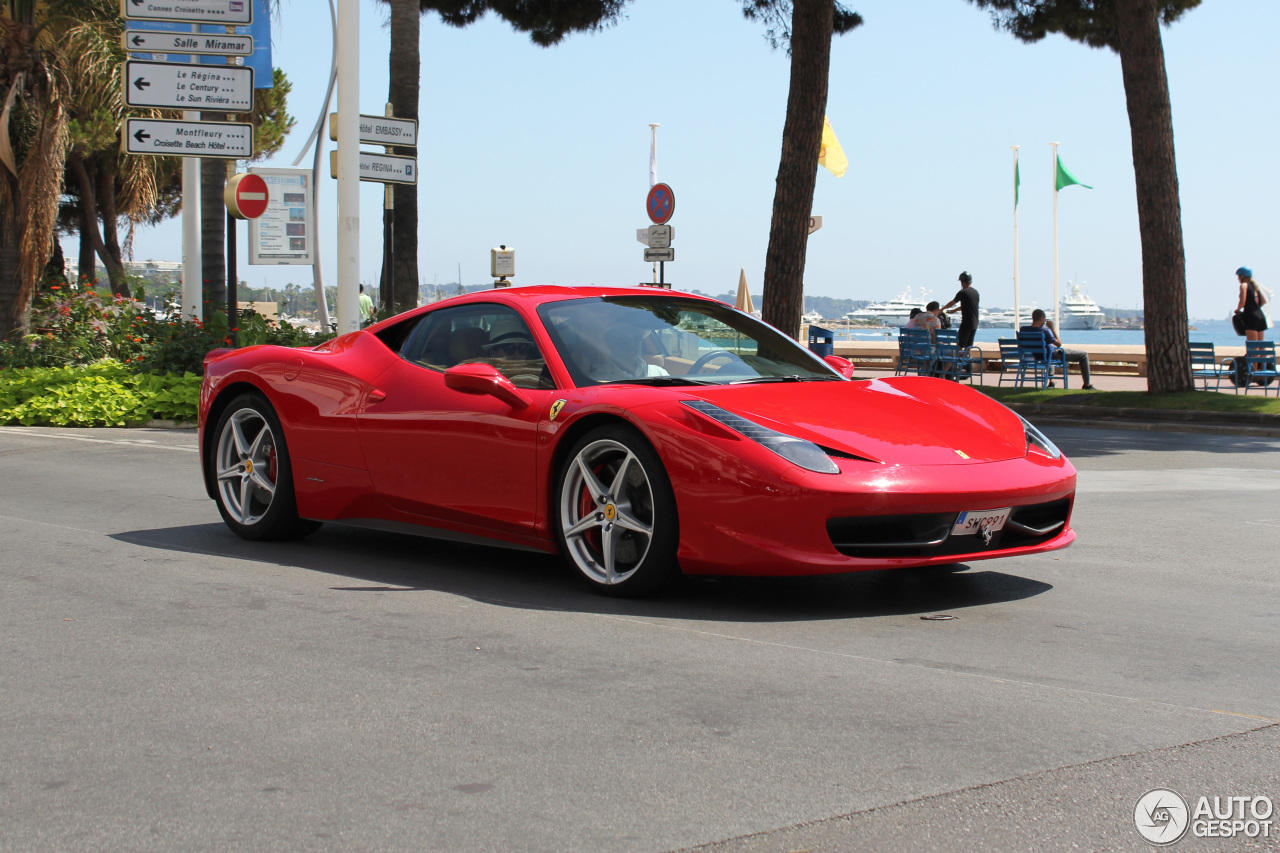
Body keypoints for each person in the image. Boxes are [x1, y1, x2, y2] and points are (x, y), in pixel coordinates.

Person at [1021, 308, 1095, 390]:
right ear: (1042, 319)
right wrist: (1052, 328)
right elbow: (1059, 344)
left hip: (1038, 356)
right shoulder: (1045, 331)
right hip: (1052, 354)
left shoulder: (1023, 330)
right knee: (1083, 355)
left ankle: (1051, 381)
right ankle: (1087, 384)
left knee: (1048, 354)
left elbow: (1022, 345)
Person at [942, 271, 980, 350]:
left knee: (960, 344)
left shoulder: (963, 292)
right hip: (975, 323)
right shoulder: (976, 292)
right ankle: (965, 360)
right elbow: (968, 306)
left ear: (962, 282)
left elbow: (952, 302)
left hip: (966, 322)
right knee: (968, 345)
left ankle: (958, 360)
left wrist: (942, 309)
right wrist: (954, 310)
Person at [1234, 267, 1268, 342]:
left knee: (1253, 346)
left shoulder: (1244, 285)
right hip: (1260, 315)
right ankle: (1263, 354)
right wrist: (1255, 308)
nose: (1238, 279)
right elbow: (1264, 301)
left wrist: (1237, 309)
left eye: (1238, 276)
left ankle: (1254, 354)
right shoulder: (1255, 286)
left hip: (1250, 316)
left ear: (1242, 276)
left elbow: (1242, 301)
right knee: (1261, 345)